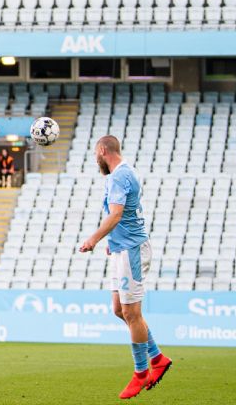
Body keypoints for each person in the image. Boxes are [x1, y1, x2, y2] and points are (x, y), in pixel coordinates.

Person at [79, 136, 172, 399]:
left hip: (132, 250)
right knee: (120, 310)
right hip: (121, 247)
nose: (96, 158)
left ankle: (141, 373)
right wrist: (113, 240)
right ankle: (157, 358)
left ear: (102, 150)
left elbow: (117, 214)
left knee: (132, 312)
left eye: (96, 153)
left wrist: (94, 239)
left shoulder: (119, 176)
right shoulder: (120, 174)